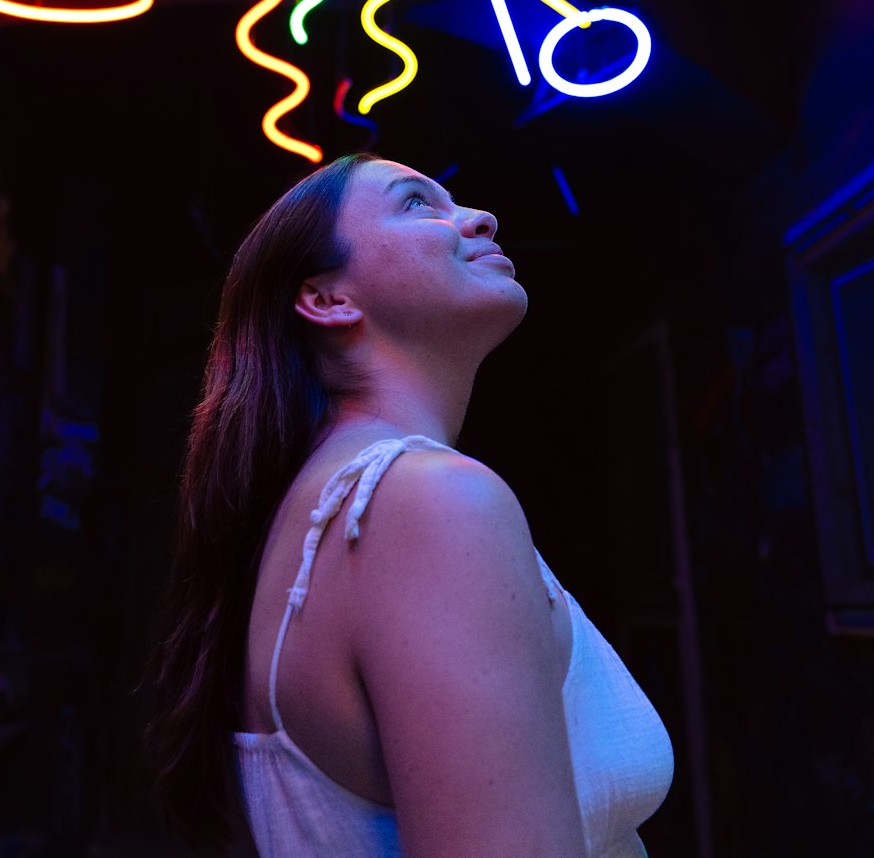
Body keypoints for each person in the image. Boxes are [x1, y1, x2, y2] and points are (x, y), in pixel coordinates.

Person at [140, 152, 673, 857]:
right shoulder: (426, 503)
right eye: (418, 204)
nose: (479, 218)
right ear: (328, 299)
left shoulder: (331, 513)